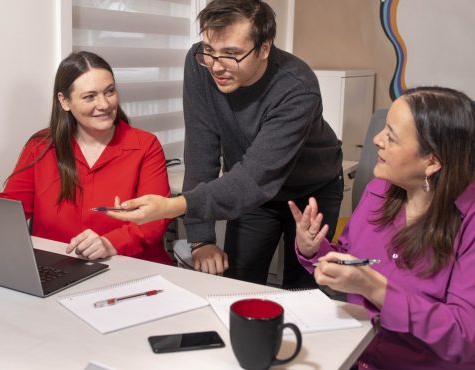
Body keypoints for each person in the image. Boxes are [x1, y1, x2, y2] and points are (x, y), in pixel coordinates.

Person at [107, 0, 343, 288]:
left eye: (231, 54)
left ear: (264, 48)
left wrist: (171, 207)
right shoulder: (201, 64)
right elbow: (200, 149)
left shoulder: (297, 87)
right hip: (254, 195)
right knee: (237, 286)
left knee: (304, 289)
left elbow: (255, 176)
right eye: (209, 50)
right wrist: (201, 239)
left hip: (311, 190)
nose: (217, 67)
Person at [291, 86, 475, 369]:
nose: (376, 140)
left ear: (432, 161)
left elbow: (464, 337)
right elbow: (353, 258)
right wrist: (315, 249)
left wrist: (377, 289)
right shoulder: (380, 188)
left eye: (391, 136)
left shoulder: (469, 223)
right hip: (353, 355)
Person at [0, 51, 172, 265]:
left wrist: (110, 243)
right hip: (58, 268)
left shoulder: (145, 146)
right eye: (89, 97)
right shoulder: (40, 147)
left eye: (109, 92)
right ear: (64, 101)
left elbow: (155, 219)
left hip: (131, 269)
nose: (104, 104)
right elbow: (13, 208)